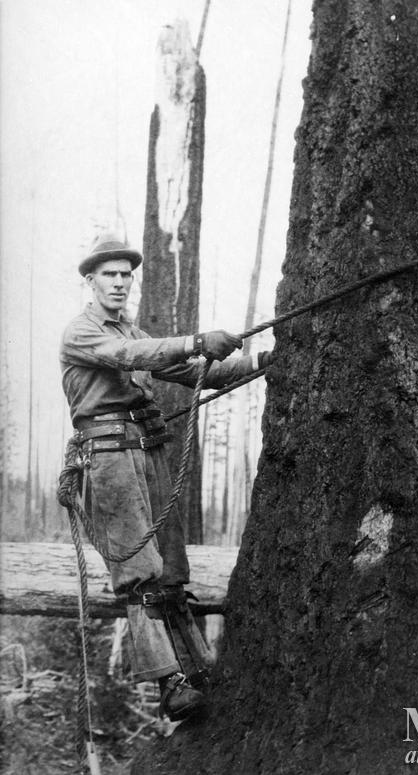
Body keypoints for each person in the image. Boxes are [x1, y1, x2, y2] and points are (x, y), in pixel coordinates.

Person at [60, 234, 271, 721]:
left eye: (125, 274)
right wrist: (198, 339)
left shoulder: (132, 332)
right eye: (109, 274)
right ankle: (167, 682)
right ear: (90, 281)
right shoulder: (83, 333)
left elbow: (186, 367)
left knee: (171, 569)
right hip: (109, 459)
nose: (118, 282)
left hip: (148, 450)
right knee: (139, 572)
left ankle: (196, 669)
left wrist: (259, 363)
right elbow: (131, 358)